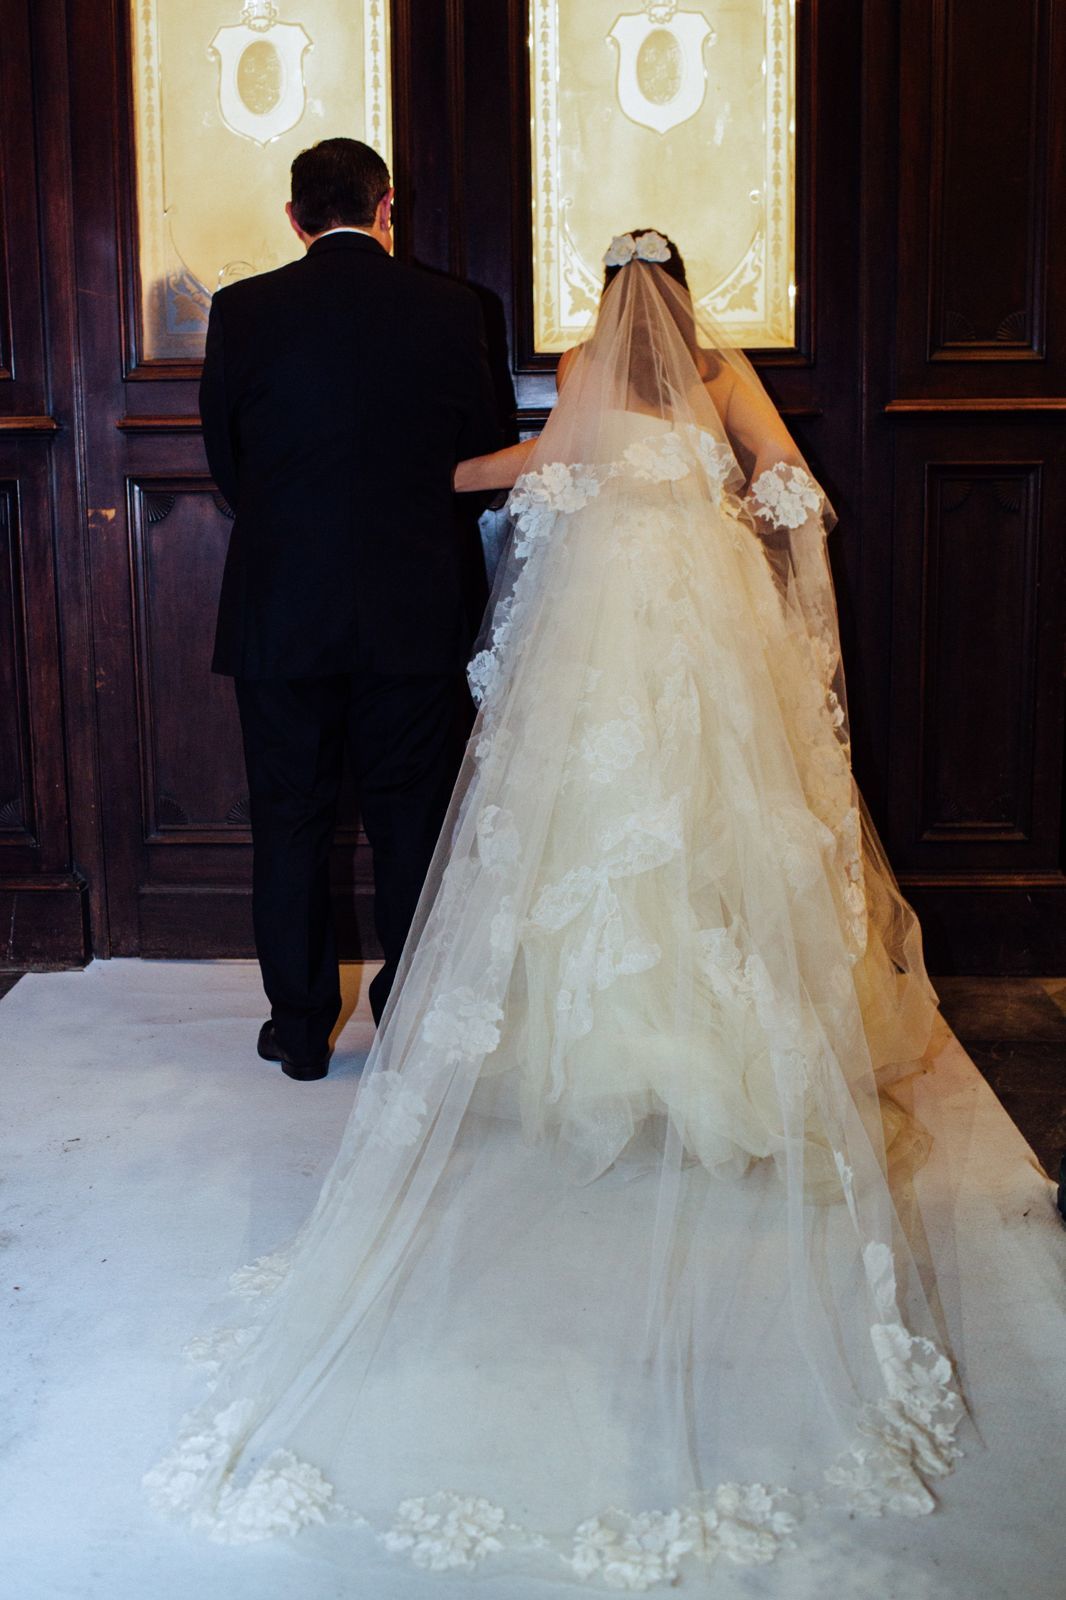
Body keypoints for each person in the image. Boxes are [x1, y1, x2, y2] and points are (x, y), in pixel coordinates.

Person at [150, 230, 965, 1587]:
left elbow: (546, 479)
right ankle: (706, 1049)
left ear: (602, 294)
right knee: (704, 826)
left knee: (589, 830)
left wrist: (445, 481)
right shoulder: (722, 366)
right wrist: (752, 529)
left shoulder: (585, 363)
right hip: (701, 621)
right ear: (685, 289)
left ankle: (578, 1046)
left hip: (605, 624)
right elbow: (787, 483)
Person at [200, 137, 500, 1076]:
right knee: (410, 821)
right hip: (415, 608)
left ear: (293, 218)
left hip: (281, 609)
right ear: (386, 206)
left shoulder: (241, 310)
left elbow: (226, 464)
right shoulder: (458, 309)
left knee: (288, 818)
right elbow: (482, 462)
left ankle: (298, 1035)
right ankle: (405, 1027)